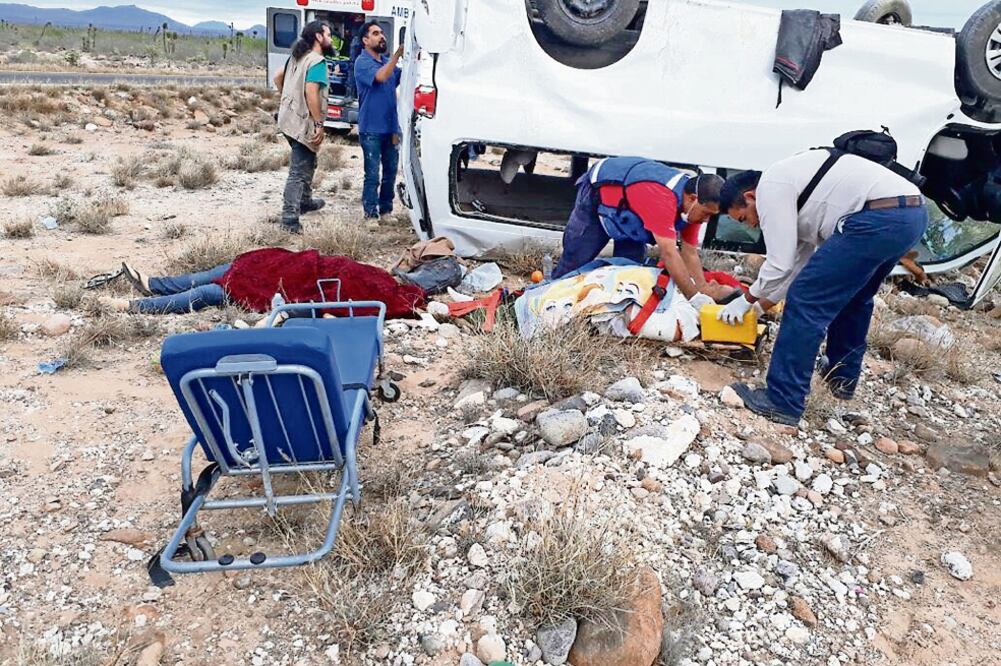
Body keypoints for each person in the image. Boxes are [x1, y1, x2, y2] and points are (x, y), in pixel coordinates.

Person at [716, 152, 928, 425]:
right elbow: (794, 267)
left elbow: (779, 265)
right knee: (855, 297)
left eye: (744, 218)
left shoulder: (771, 185)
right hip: (911, 214)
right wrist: (757, 308)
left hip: (876, 217)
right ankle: (842, 378)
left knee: (805, 301)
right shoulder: (794, 186)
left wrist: (746, 299)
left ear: (750, 196)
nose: (753, 225)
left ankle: (783, 400)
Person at [553, 157, 725, 307]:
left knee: (629, 274)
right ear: (692, 199)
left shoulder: (693, 209)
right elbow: (669, 254)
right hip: (600, 193)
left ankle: (606, 310)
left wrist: (702, 289)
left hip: (634, 212)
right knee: (575, 260)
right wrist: (693, 298)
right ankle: (545, 299)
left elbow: (689, 253)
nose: (706, 220)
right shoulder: (662, 198)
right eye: (706, 214)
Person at [97, 250, 426, 318]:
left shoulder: (387, 293)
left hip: (289, 284)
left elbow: (333, 300)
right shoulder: (383, 279)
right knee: (226, 270)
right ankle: (155, 284)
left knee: (217, 289)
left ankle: (136, 305)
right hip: (294, 268)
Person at [274, 21, 335, 234]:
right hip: (302, 121)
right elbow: (311, 92)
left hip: (287, 119)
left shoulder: (298, 56)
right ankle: (289, 218)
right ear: (318, 37)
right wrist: (318, 123)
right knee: (299, 171)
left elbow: (277, 77)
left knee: (309, 160)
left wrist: (287, 97)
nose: (331, 38)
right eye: (328, 34)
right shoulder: (317, 61)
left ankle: (305, 201)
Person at [354, 21, 403, 219]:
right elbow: (381, 77)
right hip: (371, 129)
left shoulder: (385, 63)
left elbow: (402, 77)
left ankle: (386, 210)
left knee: (390, 173)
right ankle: (370, 214)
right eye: (375, 33)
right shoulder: (362, 62)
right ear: (365, 40)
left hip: (391, 128)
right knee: (372, 175)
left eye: (382, 33)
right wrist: (397, 56)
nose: (382, 36)